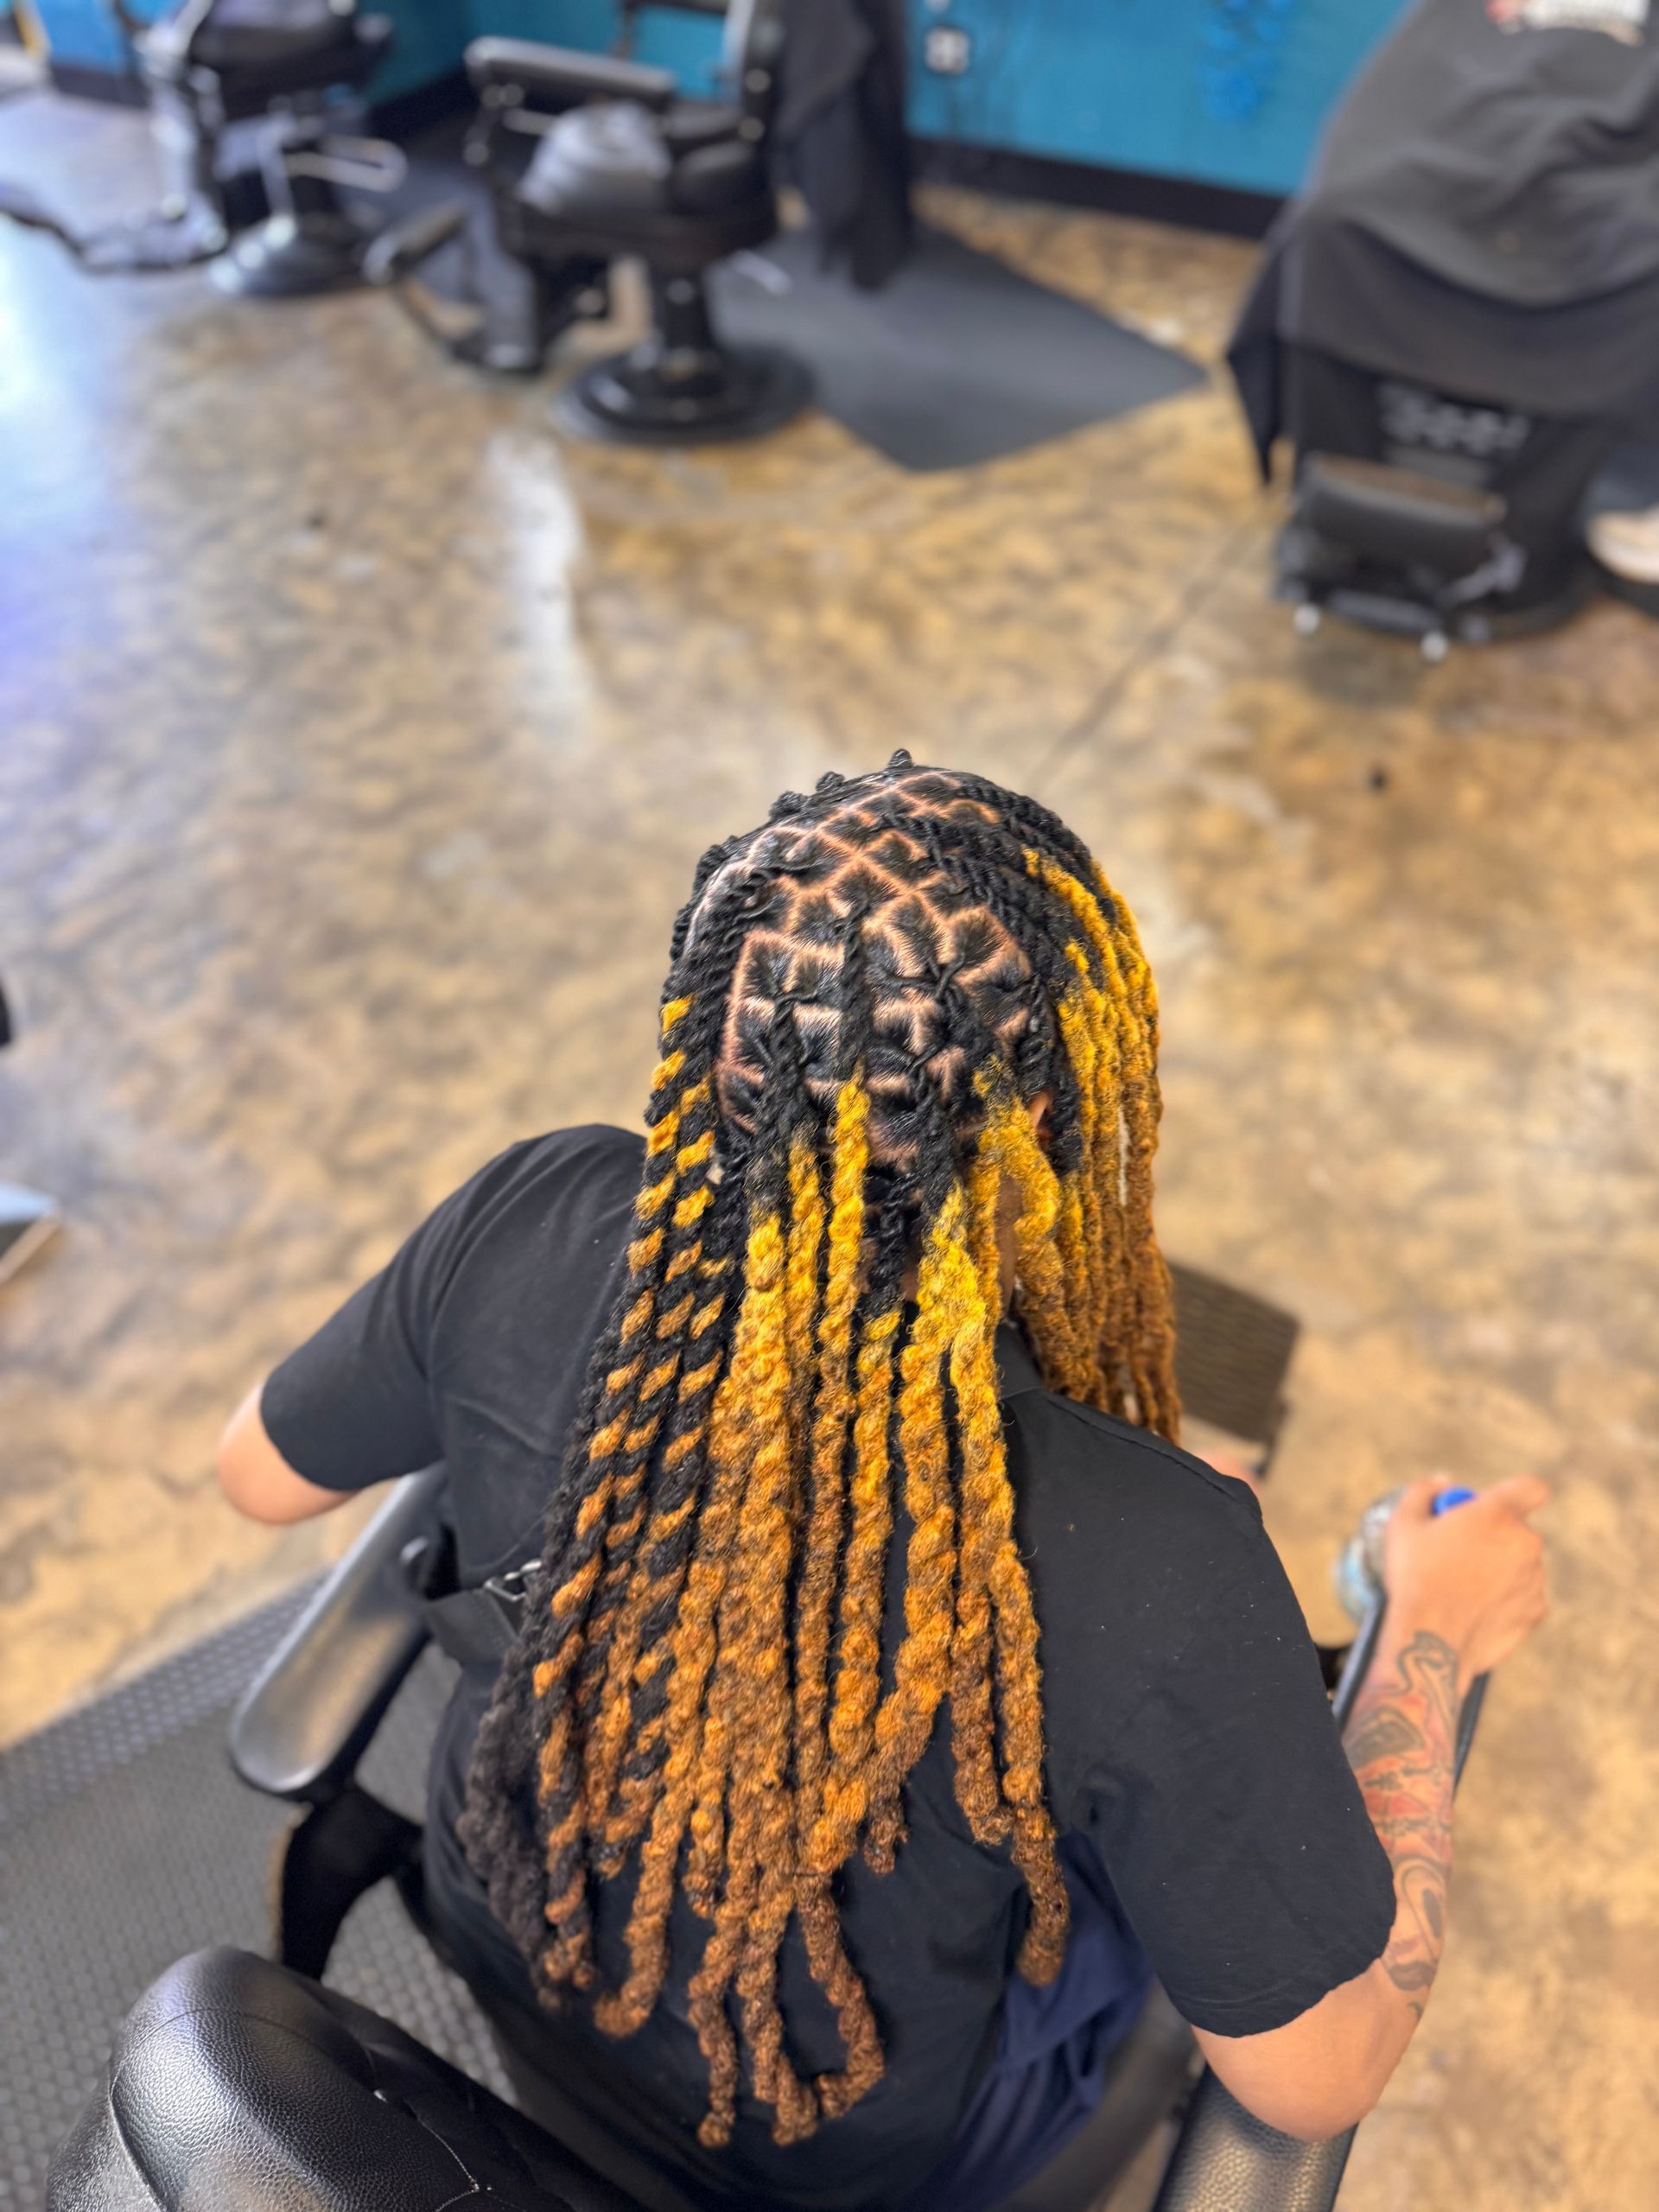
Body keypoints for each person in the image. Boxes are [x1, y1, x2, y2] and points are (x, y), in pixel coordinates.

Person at [216, 756, 1549, 2212]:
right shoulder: (1154, 1567)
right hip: (837, 2143)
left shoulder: (527, 1215)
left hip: (511, 1938)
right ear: (1051, 1120)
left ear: (711, 1044)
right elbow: (1317, 2076)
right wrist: (1432, 1634)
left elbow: (257, 1473)